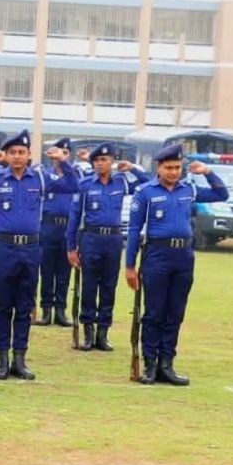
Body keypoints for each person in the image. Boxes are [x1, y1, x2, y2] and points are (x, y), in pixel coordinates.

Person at [125, 144, 228, 386]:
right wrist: (130, 265)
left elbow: (222, 194)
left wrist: (208, 172)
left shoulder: (189, 189)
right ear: (158, 168)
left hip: (183, 256)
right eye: (168, 168)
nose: (173, 172)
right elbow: (133, 230)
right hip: (157, 255)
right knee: (154, 313)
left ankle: (167, 364)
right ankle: (150, 364)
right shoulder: (145, 192)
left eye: (177, 168)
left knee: (175, 313)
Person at [0, 130, 79, 381]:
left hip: (32, 249)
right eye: (12, 152)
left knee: (25, 307)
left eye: (21, 152)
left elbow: (73, 184)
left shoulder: (41, 179)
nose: (16, 157)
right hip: (3, 248)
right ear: (6, 155)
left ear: (29, 155)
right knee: (3, 306)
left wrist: (61, 161)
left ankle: (19, 359)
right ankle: (2, 358)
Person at [66, 144, 149, 351]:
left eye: (105, 160)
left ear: (113, 161)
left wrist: (132, 169)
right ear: (93, 163)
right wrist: (71, 247)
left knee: (109, 287)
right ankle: (88, 331)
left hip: (113, 239)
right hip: (91, 238)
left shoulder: (121, 182)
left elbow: (148, 184)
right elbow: (74, 217)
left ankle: (103, 331)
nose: (101, 164)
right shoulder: (85, 185)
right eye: (97, 160)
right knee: (89, 286)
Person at [35, 138, 78, 328]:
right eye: (58, 153)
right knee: (46, 270)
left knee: (64, 271)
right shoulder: (45, 176)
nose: (60, 157)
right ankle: (46, 310)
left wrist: (65, 163)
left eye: (65, 154)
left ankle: (61, 310)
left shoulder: (75, 175)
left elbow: (74, 184)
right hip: (48, 227)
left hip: (68, 228)